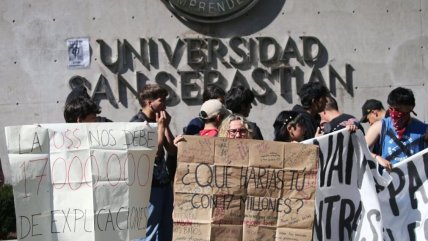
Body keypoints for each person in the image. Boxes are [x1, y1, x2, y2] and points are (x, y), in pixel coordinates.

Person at [130, 84, 177, 241]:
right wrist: (160, 128)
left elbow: (171, 150)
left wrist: (166, 126)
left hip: (163, 181)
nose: (165, 104)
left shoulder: (159, 120)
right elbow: (154, 154)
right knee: (149, 228)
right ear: (150, 103)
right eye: (161, 100)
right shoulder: (137, 123)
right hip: (148, 186)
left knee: (165, 226)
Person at [365, 87, 428, 171]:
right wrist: (377, 158)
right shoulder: (380, 126)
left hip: (417, 182)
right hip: (389, 181)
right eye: (391, 108)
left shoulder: (423, 129)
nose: (394, 113)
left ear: (410, 107)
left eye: (398, 109)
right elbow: (359, 150)